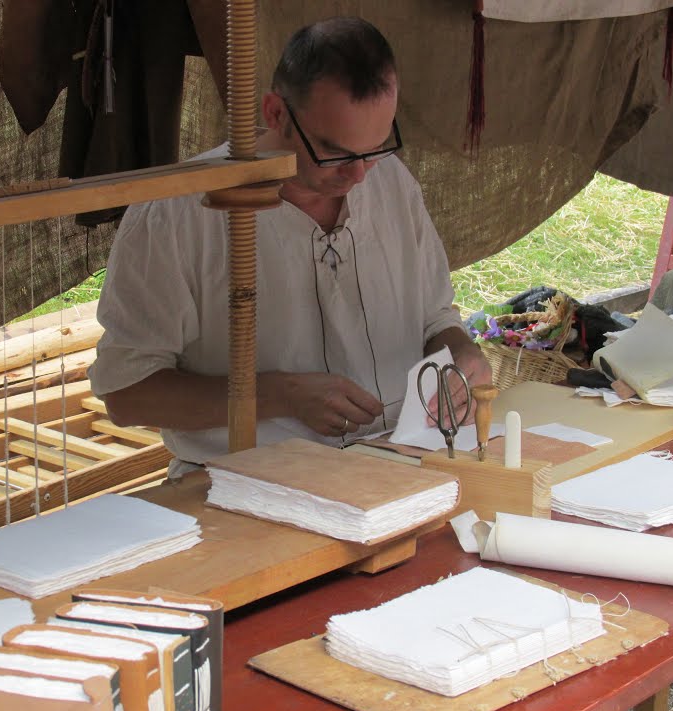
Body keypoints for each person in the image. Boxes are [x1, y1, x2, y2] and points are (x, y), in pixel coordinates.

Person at [90, 16, 492, 479]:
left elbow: (436, 319)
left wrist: (463, 354)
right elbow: (127, 393)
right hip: (246, 487)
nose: (359, 176)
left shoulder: (392, 183)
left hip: (397, 467)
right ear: (275, 113)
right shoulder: (177, 212)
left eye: (377, 147)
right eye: (335, 152)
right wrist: (277, 396)